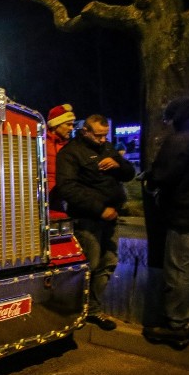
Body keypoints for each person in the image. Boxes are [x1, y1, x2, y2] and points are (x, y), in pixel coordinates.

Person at [56, 114, 136, 331]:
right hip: (88, 219)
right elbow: (68, 188)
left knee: (108, 263)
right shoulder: (71, 153)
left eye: (105, 136)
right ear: (86, 132)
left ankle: (92, 309)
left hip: (110, 217)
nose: (102, 140)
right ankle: (77, 311)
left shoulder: (107, 148)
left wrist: (118, 162)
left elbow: (130, 174)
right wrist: (99, 209)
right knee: (89, 265)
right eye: (98, 136)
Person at [142, 94, 189, 348]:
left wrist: (151, 180)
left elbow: (162, 175)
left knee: (179, 271)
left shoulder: (182, 139)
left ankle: (176, 326)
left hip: (186, 215)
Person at [46, 103, 76, 210]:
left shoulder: (70, 146)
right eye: (68, 124)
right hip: (44, 197)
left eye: (72, 125)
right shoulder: (41, 143)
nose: (72, 128)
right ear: (56, 125)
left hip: (64, 197)